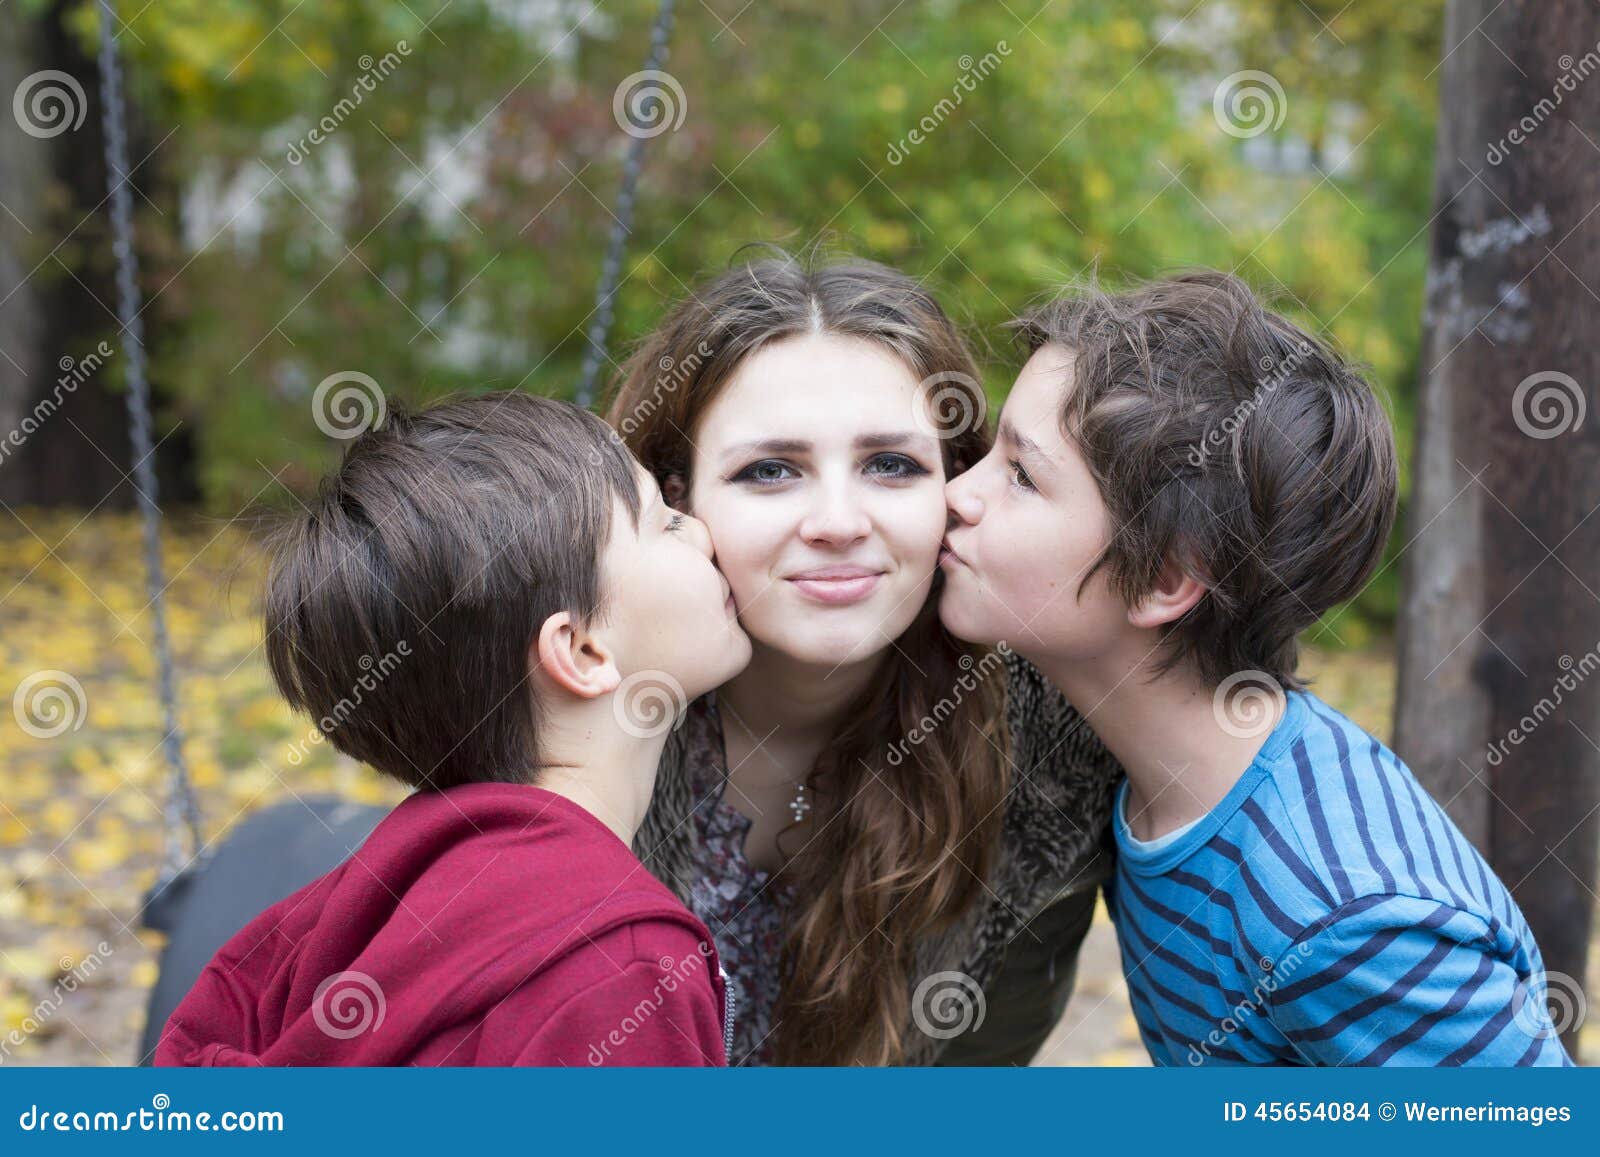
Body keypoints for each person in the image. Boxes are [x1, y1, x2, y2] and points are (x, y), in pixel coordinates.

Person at [938, 269, 1573, 1065]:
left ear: (1168, 580)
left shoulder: (1345, 917)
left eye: (1022, 476)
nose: (957, 494)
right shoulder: (1152, 787)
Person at [608, 250, 1122, 1066]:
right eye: (770, 470)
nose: (839, 521)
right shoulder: (571, 701)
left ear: (957, 487)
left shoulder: (1055, 744)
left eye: (892, 465)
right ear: (676, 500)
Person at [156, 392, 750, 1066]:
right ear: (583, 650)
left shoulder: (364, 905)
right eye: (664, 523)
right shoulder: (619, 964)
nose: (701, 530)